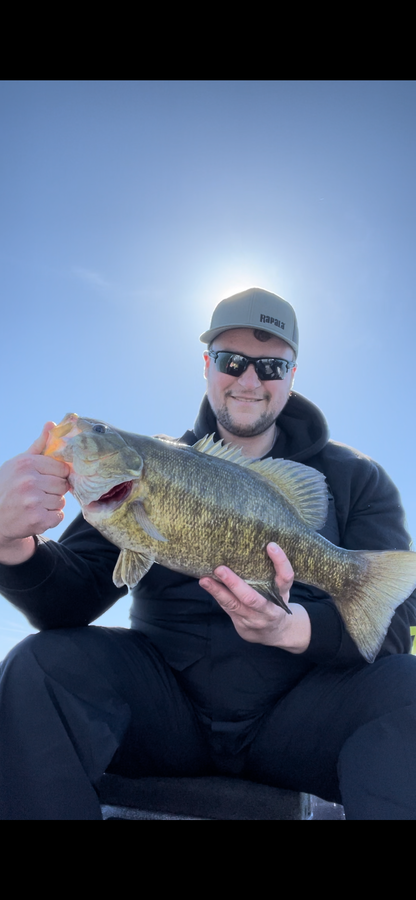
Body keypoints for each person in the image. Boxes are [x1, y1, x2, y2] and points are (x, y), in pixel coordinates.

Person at [1, 286, 416, 820]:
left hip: (299, 725)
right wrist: (12, 543)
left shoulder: (357, 479)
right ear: (207, 365)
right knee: (39, 667)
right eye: (232, 360)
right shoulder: (146, 468)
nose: (249, 379)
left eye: (270, 365)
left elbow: (393, 624)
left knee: (408, 688)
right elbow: (66, 604)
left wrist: (294, 629)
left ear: (293, 375)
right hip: (165, 716)